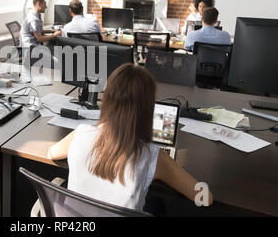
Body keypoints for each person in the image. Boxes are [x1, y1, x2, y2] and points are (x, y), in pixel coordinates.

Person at [48, 64, 213, 214]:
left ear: (107, 99)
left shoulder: (81, 134)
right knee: (157, 205)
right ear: (148, 108)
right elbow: (205, 198)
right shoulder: (151, 155)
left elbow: (51, 154)